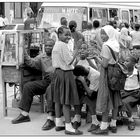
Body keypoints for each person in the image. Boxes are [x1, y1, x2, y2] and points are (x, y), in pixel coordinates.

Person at [11, 39, 55, 126]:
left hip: (57, 81)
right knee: (28, 86)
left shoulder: (57, 56)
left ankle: (51, 118)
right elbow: (32, 62)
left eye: (50, 46)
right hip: (47, 81)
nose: (48, 47)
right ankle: (24, 114)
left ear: (54, 47)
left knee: (50, 91)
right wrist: (23, 51)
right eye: (46, 45)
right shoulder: (41, 57)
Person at [52, 26, 83, 135]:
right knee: (66, 101)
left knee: (58, 99)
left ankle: (59, 123)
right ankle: (69, 127)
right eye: (66, 34)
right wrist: (77, 48)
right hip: (65, 74)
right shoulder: (63, 45)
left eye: (69, 34)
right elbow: (69, 61)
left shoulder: (56, 44)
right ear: (59, 34)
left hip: (58, 73)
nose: (68, 37)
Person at [92, 25, 122, 134]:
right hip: (115, 74)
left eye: (104, 33)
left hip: (107, 74)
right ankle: (113, 124)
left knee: (106, 99)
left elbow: (104, 64)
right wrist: (98, 49)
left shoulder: (106, 45)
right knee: (114, 99)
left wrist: (96, 57)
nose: (102, 36)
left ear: (109, 34)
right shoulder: (115, 43)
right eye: (101, 33)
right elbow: (111, 57)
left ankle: (104, 126)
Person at [73, 65, 100, 132]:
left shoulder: (95, 75)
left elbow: (90, 93)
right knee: (76, 95)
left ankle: (95, 122)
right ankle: (77, 118)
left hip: (96, 93)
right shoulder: (85, 68)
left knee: (88, 99)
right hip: (86, 91)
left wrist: (83, 81)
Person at [121, 55, 140, 131]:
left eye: (127, 61)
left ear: (133, 63)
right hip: (125, 92)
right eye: (125, 61)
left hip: (135, 92)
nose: (125, 62)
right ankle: (129, 119)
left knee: (126, 102)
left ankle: (131, 120)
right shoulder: (123, 72)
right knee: (121, 102)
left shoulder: (137, 72)